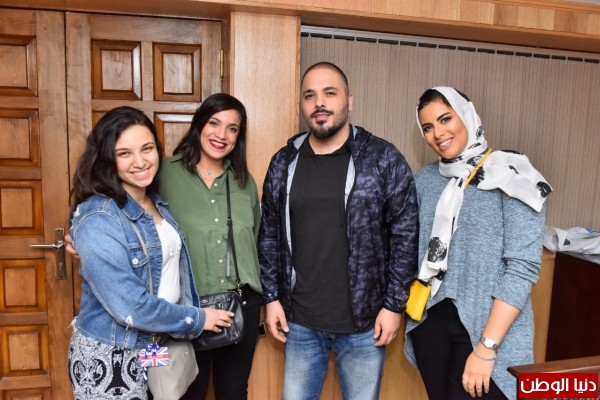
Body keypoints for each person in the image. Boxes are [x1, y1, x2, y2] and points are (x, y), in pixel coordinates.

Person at [259, 61, 419, 399]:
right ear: (302, 104)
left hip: (364, 323)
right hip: (299, 320)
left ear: (349, 100)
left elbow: (405, 235)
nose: (319, 102)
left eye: (329, 93)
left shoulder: (382, 158)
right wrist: (271, 297)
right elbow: (269, 233)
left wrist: (394, 306)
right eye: (310, 95)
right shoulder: (284, 161)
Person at [67, 106, 233, 399]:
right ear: (107, 158)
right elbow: (132, 306)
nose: (141, 161)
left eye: (147, 148)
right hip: (113, 355)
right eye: (124, 153)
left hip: (153, 347)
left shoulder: (154, 202)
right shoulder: (99, 217)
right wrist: (198, 319)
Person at [403, 87, 552, 400]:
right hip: (430, 323)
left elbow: (522, 269)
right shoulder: (425, 180)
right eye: (427, 127)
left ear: (467, 115)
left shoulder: (512, 174)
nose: (437, 133)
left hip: (488, 326)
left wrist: (486, 348)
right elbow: (407, 246)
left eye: (445, 119)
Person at [159, 93, 263, 400]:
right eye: (214, 123)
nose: (222, 134)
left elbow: (257, 240)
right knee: (188, 392)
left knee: (234, 392)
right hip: (187, 308)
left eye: (232, 128)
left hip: (241, 306)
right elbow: (123, 207)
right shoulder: (164, 173)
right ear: (199, 124)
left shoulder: (244, 182)